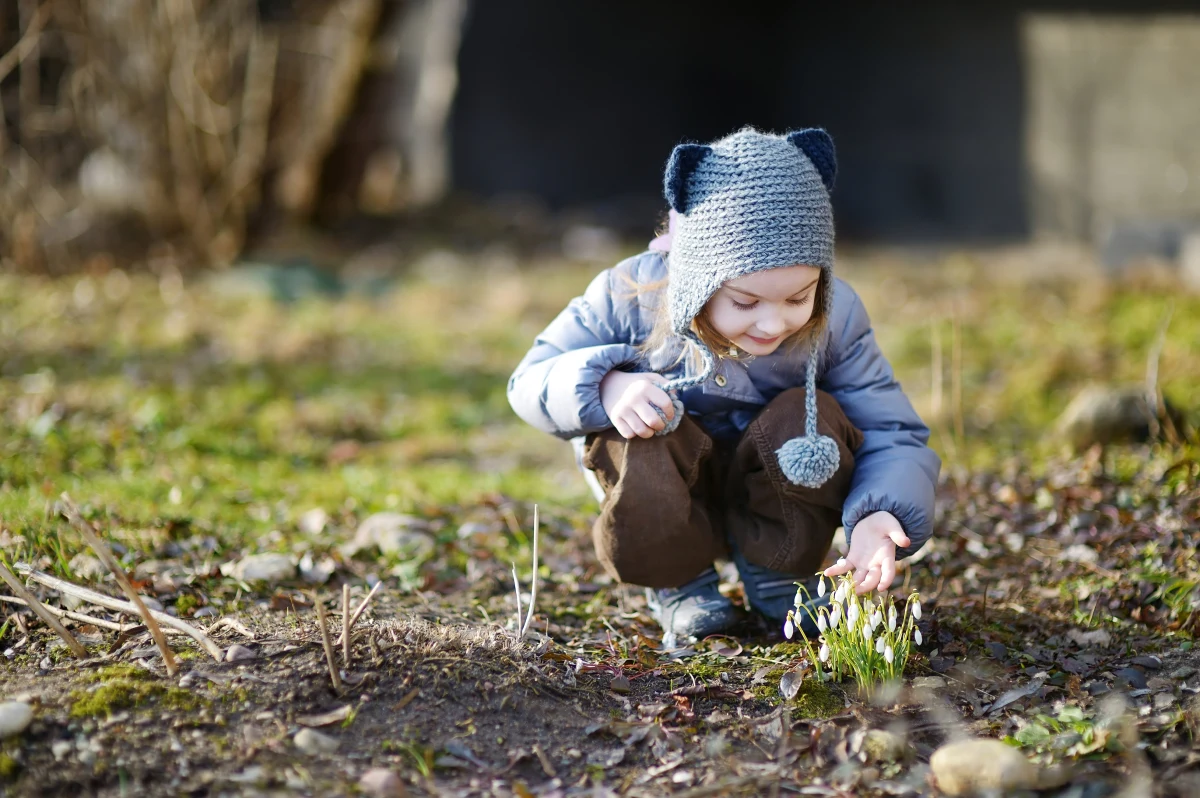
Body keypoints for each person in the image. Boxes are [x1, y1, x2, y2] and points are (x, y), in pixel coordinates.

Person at [507, 127, 940, 644]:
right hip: (668, 499)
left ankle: (780, 574)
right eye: (746, 302)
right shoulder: (628, 296)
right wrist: (604, 388)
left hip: (777, 500)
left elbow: (890, 428)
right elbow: (528, 380)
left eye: (798, 297)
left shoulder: (836, 316)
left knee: (812, 414)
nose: (774, 324)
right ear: (697, 279)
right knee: (641, 422)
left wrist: (881, 511)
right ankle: (680, 586)